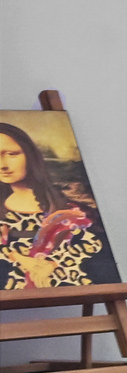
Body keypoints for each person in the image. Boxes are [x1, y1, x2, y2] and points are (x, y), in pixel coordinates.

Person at [0, 120, 119, 290]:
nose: (3, 165)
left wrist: (53, 264)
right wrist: (21, 259)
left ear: (30, 156)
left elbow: (92, 243)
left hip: (70, 282)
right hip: (15, 286)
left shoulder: (67, 206)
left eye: (12, 154)